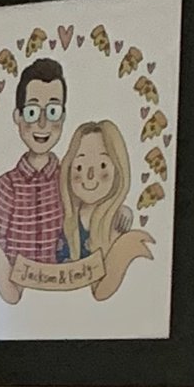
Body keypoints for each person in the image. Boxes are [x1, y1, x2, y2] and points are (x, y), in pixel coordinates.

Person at [0, 56, 70, 265]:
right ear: (17, 117)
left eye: (53, 111)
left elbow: (91, 219)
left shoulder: (70, 180)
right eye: (32, 112)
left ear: (63, 116)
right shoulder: (5, 187)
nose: (42, 122)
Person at [59, 117, 152, 300]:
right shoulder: (67, 221)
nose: (90, 176)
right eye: (79, 166)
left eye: (102, 165)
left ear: (118, 169)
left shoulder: (117, 221)